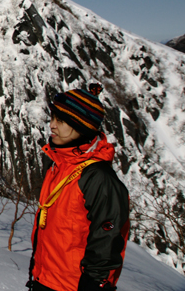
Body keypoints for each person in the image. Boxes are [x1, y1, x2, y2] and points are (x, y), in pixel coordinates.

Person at [28, 84, 130, 291]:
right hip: (44, 280)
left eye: (61, 121)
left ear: (82, 127)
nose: (52, 126)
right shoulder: (59, 165)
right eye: (53, 118)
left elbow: (107, 241)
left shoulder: (98, 178)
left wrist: (94, 284)